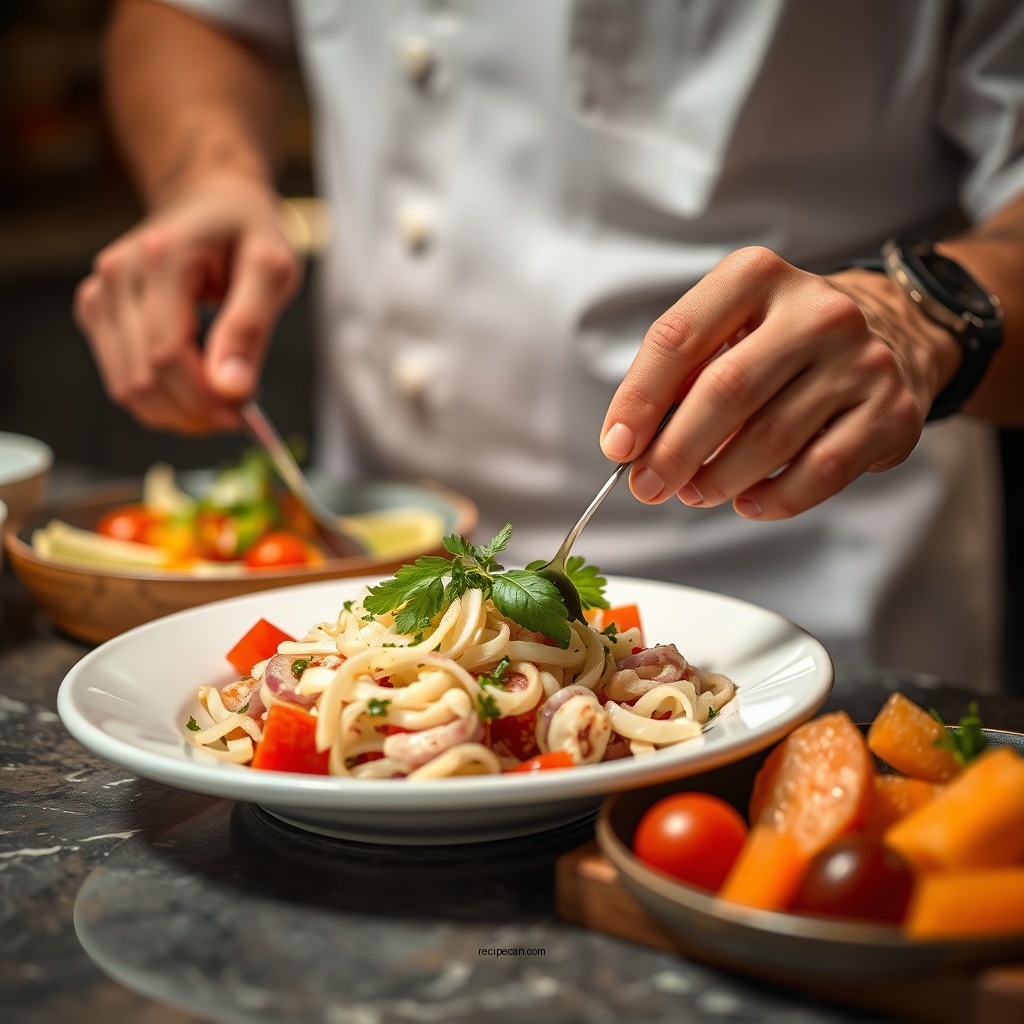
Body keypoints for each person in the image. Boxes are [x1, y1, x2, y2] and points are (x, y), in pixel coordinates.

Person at [74, 0, 1024, 691]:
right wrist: (206, 171)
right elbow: (196, 15)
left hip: (802, 590)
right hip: (368, 567)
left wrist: (921, 316)